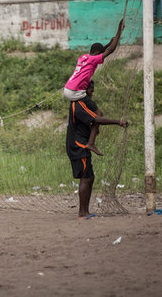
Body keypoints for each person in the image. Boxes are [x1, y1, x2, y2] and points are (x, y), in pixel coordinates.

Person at [66, 81, 128, 219]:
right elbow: (96, 119)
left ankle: (91, 143)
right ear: (84, 90)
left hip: (82, 144)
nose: (92, 93)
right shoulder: (78, 105)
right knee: (86, 177)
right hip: (78, 146)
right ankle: (82, 213)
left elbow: (97, 112)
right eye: (91, 90)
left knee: (90, 177)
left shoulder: (85, 102)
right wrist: (118, 122)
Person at [63, 18, 124, 155]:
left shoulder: (83, 57)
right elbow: (111, 51)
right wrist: (119, 32)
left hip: (68, 88)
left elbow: (102, 51)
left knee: (98, 112)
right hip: (75, 92)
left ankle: (92, 139)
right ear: (97, 54)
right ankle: (91, 140)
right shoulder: (92, 60)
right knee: (97, 117)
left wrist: (108, 42)